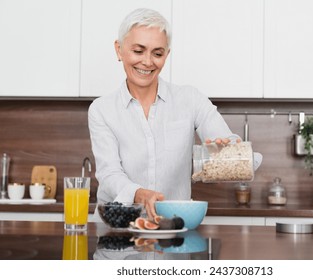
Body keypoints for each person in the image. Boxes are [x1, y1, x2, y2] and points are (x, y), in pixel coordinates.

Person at [88, 8, 240, 221]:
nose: (148, 62)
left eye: (157, 53)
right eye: (138, 51)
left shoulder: (190, 99)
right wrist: (140, 195)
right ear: (119, 49)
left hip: (172, 227)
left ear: (166, 55)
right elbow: (109, 173)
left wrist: (226, 148)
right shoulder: (101, 110)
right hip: (117, 228)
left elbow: (229, 141)